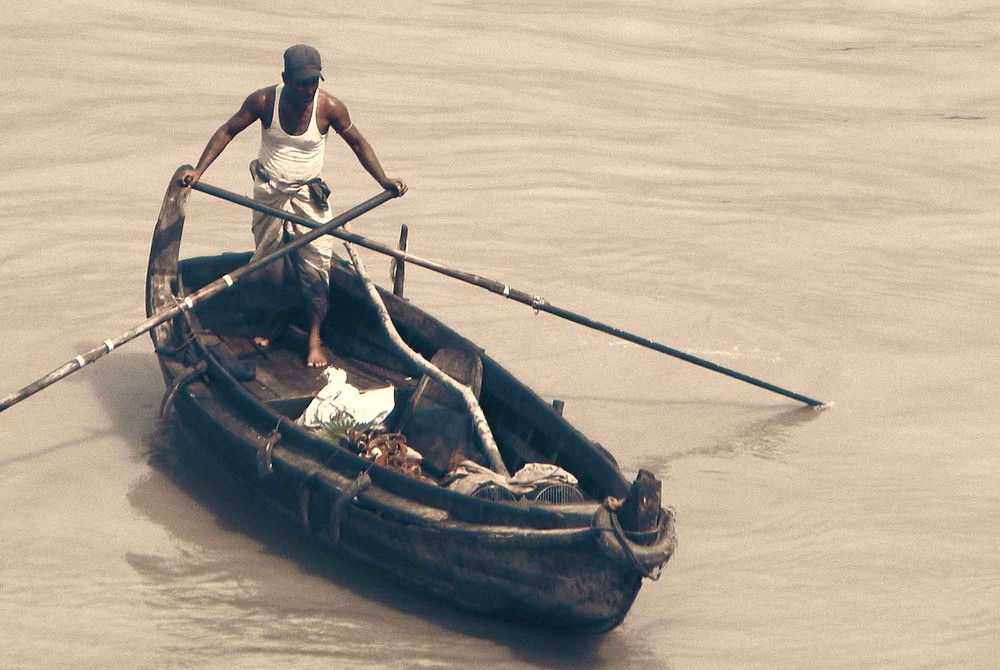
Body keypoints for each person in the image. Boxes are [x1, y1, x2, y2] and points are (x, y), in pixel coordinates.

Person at [178, 44, 407, 367]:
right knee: (269, 266)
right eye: (302, 82)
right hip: (270, 194)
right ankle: (276, 321)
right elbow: (227, 131)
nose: (309, 89)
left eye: (314, 81)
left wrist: (383, 180)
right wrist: (199, 171)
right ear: (285, 78)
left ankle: (314, 338)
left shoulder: (329, 108)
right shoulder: (263, 101)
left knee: (315, 266)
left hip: (309, 198)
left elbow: (358, 143)